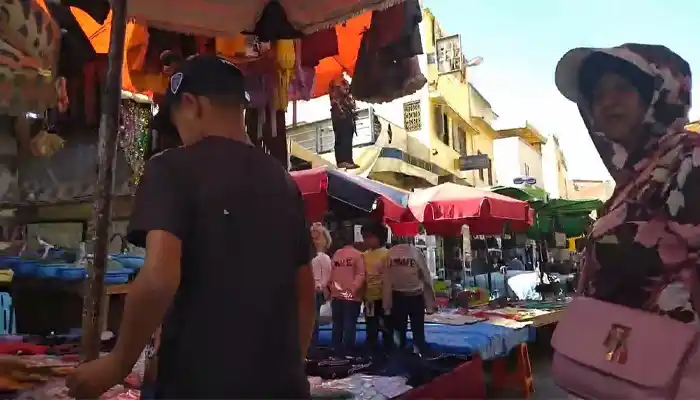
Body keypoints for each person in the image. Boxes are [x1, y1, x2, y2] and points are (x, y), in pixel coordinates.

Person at [66, 55, 316, 399]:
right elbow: (305, 292)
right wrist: (289, 367)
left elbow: (159, 276)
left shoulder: (171, 169)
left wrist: (118, 364)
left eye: (176, 122)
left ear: (191, 104)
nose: (179, 135)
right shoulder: (284, 182)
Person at [553, 44, 700, 395]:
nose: (606, 102)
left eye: (621, 88)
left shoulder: (689, 158)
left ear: (659, 94)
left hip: (678, 375)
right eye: (598, 93)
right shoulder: (635, 179)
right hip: (628, 370)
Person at [383, 238, 436, 354]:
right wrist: (430, 303)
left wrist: (386, 305)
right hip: (415, 296)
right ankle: (420, 354)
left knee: (399, 329)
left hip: (398, 296)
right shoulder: (415, 252)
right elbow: (426, 276)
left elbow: (386, 281)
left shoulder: (390, 254)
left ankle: (399, 355)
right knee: (417, 330)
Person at [329, 227, 365, 353]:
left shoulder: (336, 255)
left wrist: (331, 289)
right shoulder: (358, 255)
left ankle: (336, 349)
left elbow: (331, 273)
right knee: (349, 325)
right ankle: (347, 351)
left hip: (337, 295)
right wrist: (353, 288)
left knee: (337, 325)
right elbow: (361, 274)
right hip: (352, 296)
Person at [361, 223, 392, 352]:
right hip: (369, 298)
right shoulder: (363, 255)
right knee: (371, 325)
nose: (366, 240)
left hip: (383, 298)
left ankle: (388, 349)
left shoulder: (387, 254)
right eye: (364, 237)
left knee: (386, 325)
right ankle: (371, 349)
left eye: (369, 237)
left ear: (379, 237)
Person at [310, 222, 332, 345]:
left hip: (316, 291)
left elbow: (327, 275)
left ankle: (312, 345)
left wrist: (321, 286)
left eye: (317, 237)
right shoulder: (311, 257)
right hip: (308, 290)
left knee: (313, 320)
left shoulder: (324, 257)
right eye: (312, 238)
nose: (315, 241)